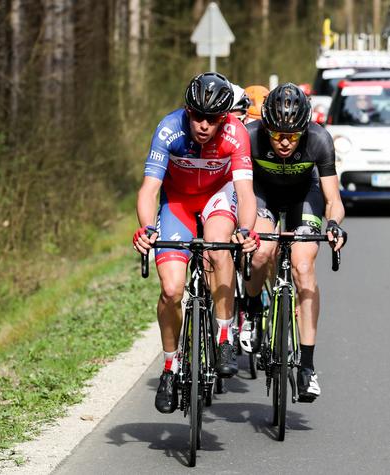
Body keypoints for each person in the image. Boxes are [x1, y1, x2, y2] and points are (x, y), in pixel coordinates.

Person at [133, 72, 259, 414]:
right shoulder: (169, 128)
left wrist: (245, 230)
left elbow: (245, 193)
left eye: (212, 119)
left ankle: (223, 337)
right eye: (197, 116)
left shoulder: (236, 134)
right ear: (187, 111)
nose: (203, 125)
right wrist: (146, 228)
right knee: (172, 290)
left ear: (224, 118)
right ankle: (170, 368)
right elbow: (149, 190)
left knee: (219, 247)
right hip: (178, 204)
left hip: (217, 198)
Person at [244, 83, 347, 402]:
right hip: (263, 195)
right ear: (265, 127)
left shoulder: (318, 139)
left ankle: (307, 367)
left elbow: (334, 200)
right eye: (276, 135)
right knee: (261, 252)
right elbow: (240, 191)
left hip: (305, 196)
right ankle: (250, 311)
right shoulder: (250, 137)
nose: (285, 142)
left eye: (292, 135)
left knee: (303, 266)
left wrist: (333, 225)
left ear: (305, 128)